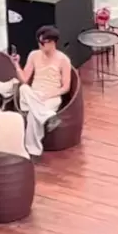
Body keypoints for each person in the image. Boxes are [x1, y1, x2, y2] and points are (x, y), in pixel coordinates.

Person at [11, 26, 71, 157]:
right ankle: (48, 116)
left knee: (33, 115)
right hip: (33, 94)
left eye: (43, 42)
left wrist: (49, 95)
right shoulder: (34, 55)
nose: (40, 45)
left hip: (51, 96)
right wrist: (16, 64)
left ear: (53, 42)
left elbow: (66, 87)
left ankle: (32, 151)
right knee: (24, 88)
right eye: (39, 42)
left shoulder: (63, 60)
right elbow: (24, 79)